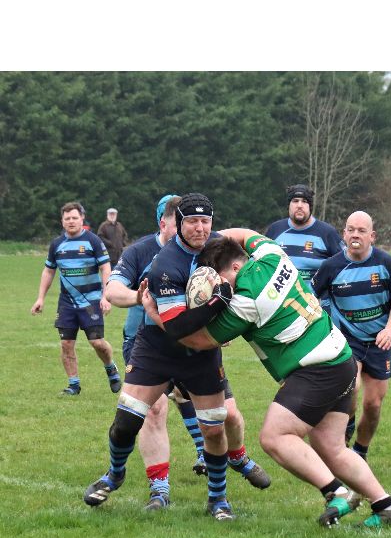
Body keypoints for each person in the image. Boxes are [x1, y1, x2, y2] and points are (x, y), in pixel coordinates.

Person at [164, 231, 391, 528]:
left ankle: (336, 492)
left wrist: (158, 312)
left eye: (221, 279)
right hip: (341, 359)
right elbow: (247, 234)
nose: (220, 287)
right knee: (331, 447)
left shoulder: (246, 301)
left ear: (236, 267)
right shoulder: (272, 255)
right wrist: (217, 237)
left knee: (274, 436)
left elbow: (199, 340)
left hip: (317, 369)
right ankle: (387, 507)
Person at [82, 193, 270, 520]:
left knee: (215, 428)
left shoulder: (220, 246)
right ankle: (115, 474)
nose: (199, 228)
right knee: (126, 422)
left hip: (202, 354)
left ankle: (218, 499)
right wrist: (217, 302)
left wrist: (225, 322)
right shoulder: (165, 263)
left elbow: (246, 268)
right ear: (175, 223)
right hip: (158, 349)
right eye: (192, 221)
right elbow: (178, 327)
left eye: (205, 221)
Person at [104, 194, 213, 507]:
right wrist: (140, 298)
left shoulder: (204, 250)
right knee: (154, 409)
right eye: (177, 220)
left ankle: (209, 456)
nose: (188, 228)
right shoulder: (140, 251)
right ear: (162, 223)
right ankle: (159, 487)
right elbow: (112, 290)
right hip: (146, 342)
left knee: (194, 400)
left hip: (190, 341)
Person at [311, 210, 391, 459]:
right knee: (351, 389)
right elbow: (309, 298)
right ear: (344, 234)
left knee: (373, 404)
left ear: (372, 236)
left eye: (361, 231)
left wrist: (390, 329)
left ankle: (360, 451)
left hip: (378, 341)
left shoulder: (386, 263)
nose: (355, 235)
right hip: (347, 340)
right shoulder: (330, 267)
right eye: (351, 230)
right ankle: (347, 427)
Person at [30, 201, 121, 396]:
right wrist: (40, 298)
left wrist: (106, 296)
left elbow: (106, 268)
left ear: (82, 219)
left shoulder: (93, 241)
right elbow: (48, 271)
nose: (71, 221)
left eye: (74, 218)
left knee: (97, 343)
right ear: (62, 221)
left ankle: (110, 367)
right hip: (67, 303)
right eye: (67, 218)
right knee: (66, 344)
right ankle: (73, 385)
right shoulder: (56, 244)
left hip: (91, 302)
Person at [265, 184, 344, 284]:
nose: (299, 205)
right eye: (295, 201)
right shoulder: (274, 230)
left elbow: (344, 265)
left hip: (315, 294)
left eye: (304, 201)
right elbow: (261, 264)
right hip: (279, 293)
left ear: (310, 207)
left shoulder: (327, 233)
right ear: (289, 205)